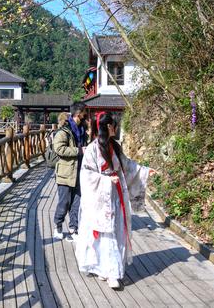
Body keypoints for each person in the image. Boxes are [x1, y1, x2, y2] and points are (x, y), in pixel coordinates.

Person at [75, 112, 156, 289]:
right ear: (107, 127)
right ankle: (110, 271)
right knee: (105, 233)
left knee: (116, 231)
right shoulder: (92, 149)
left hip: (115, 196)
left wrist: (143, 171)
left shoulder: (115, 147)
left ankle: (108, 269)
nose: (116, 128)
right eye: (113, 125)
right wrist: (105, 180)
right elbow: (86, 175)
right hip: (100, 197)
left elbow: (127, 166)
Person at [52, 102, 88, 241]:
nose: (86, 115)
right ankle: (58, 226)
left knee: (77, 202)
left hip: (80, 171)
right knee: (64, 202)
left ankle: (74, 227)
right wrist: (79, 150)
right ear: (78, 114)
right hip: (66, 173)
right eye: (85, 113)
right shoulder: (64, 131)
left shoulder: (83, 129)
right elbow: (59, 149)